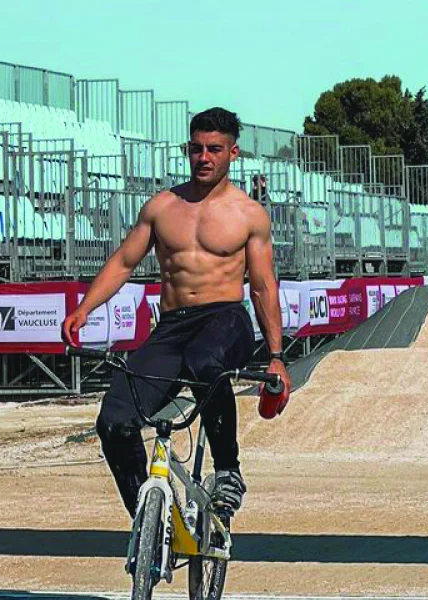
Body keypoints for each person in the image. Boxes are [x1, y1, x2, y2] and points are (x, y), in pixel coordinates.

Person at [62, 107, 291, 520]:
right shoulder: (162, 207)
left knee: (207, 362)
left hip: (226, 319)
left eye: (214, 150)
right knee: (114, 422)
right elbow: (123, 263)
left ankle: (227, 471)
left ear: (233, 154)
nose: (204, 157)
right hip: (171, 326)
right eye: (197, 149)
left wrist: (277, 356)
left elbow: (262, 286)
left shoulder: (249, 214)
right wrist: (84, 308)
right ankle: (151, 522)